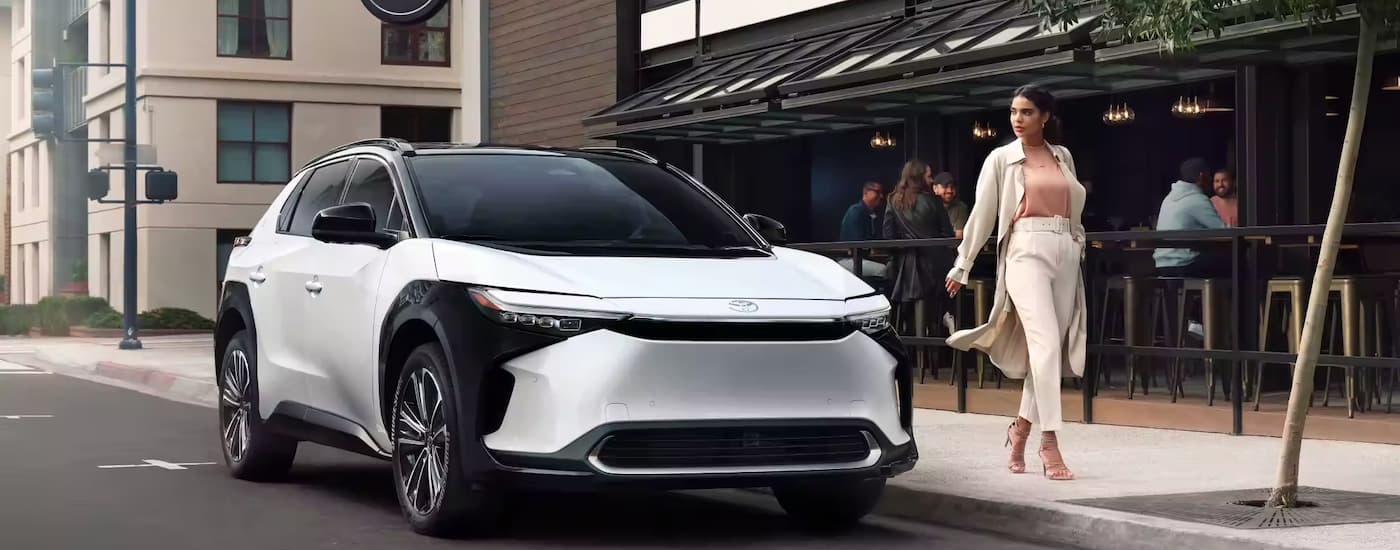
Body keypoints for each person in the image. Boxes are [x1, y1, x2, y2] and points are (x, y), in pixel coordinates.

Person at [943, 85, 1086, 481]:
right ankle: (1050, 441)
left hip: (1065, 251)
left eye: (1026, 112)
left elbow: (1072, 205)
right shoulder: (1001, 159)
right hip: (1025, 250)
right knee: (1043, 343)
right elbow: (983, 214)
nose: (1017, 119)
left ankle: (1020, 428)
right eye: (1013, 112)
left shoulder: (1063, 156)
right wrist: (963, 263)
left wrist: (1076, 243)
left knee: (1049, 350)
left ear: (1045, 117)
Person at [884, 159, 957, 336]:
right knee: (944, 301)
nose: (931, 180)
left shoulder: (893, 200)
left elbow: (888, 237)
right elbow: (947, 235)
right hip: (936, 270)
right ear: (918, 177)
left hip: (905, 272)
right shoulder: (934, 201)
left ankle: (912, 343)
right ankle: (944, 326)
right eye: (929, 176)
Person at [1153, 158, 1228, 278]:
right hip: (1184, 264)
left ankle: (1204, 296)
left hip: (1161, 264)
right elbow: (1224, 232)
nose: (1210, 179)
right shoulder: (1197, 199)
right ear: (1201, 176)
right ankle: (1229, 297)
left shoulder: (1168, 199)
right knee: (1233, 263)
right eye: (1209, 175)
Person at [837, 181, 888, 278]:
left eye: (882, 193)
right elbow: (856, 241)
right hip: (849, 259)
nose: (881, 196)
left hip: (860, 258)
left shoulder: (870, 213)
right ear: (865, 192)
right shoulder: (856, 211)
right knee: (883, 270)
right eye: (877, 192)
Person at [933, 172, 969, 238]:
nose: (949, 191)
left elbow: (959, 236)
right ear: (935, 188)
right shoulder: (929, 206)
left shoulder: (960, 207)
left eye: (952, 187)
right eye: (945, 187)